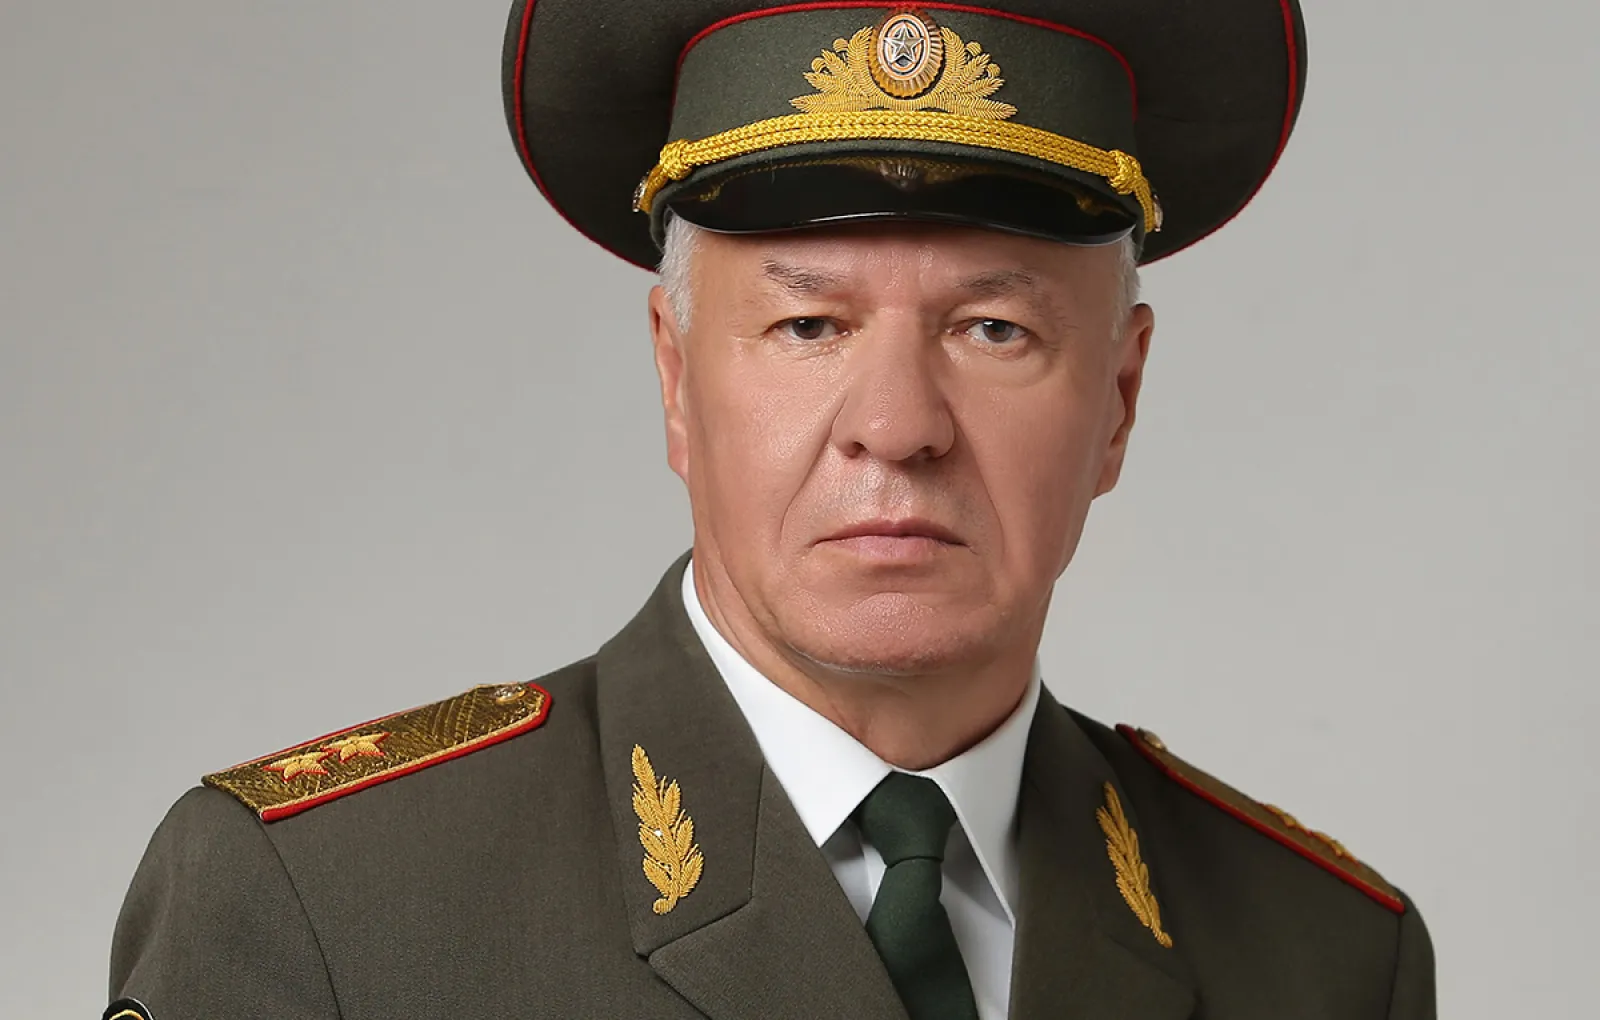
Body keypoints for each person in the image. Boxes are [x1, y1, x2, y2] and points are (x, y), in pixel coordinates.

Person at [104, 2, 1436, 1018]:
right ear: (676, 379)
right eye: (809, 325)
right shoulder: (326, 910)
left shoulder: (1320, 957)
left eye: (993, 328)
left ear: (1121, 401)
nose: (897, 426)